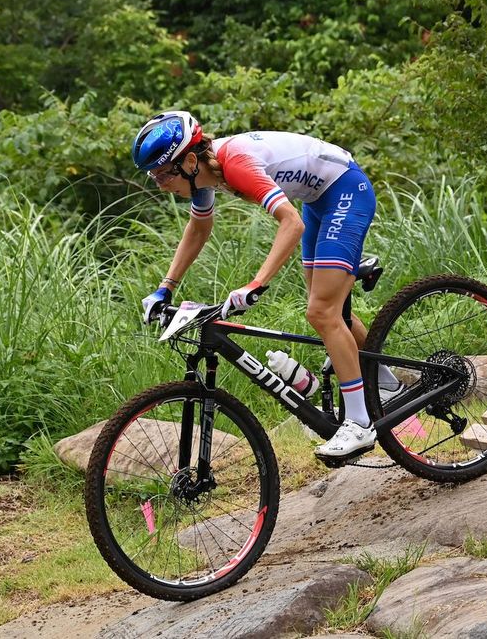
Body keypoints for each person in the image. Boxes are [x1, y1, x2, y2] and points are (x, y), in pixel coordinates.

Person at [132, 111, 399, 460]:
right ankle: (387, 384)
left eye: (163, 174)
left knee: (321, 312)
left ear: (191, 161)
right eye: (154, 176)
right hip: (319, 201)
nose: (160, 184)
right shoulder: (204, 175)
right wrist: (165, 287)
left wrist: (256, 283)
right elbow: (199, 228)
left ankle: (360, 425)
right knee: (329, 312)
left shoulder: (235, 164)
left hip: (346, 189)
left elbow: (290, 223)